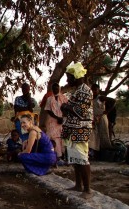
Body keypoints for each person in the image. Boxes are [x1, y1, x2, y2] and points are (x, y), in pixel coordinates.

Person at [60, 62, 93, 199]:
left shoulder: (85, 91)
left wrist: (66, 107)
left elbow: (79, 111)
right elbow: (69, 109)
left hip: (80, 129)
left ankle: (87, 190)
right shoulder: (77, 91)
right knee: (75, 158)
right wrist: (66, 108)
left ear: (76, 76)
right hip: (73, 129)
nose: (68, 80)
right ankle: (78, 185)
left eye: (69, 77)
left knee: (82, 159)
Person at [44, 83, 68, 164]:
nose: (55, 90)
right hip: (52, 120)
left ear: (59, 88)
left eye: (56, 88)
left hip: (62, 120)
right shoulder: (49, 99)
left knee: (62, 138)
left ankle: (62, 156)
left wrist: (62, 118)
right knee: (53, 138)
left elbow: (67, 109)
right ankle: (55, 156)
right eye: (53, 88)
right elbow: (48, 110)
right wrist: (57, 117)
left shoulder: (64, 98)